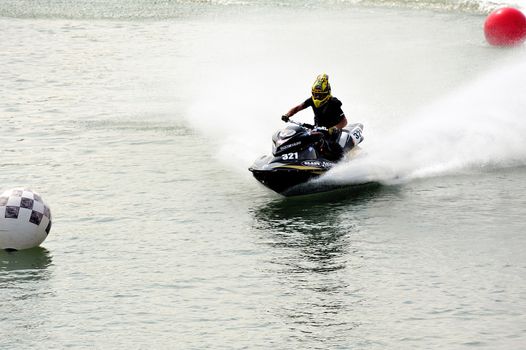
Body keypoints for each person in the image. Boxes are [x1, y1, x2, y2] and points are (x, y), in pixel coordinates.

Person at [281, 73, 348, 159]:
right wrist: (287, 115)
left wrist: (334, 128)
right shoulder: (312, 100)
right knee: (301, 135)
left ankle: (339, 161)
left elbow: (344, 121)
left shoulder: (333, 103)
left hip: (332, 132)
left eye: (320, 95)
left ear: (326, 93)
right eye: (315, 94)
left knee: (328, 144)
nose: (317, 97)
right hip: (318, 129)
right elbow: (298, 108)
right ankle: (293, 157)